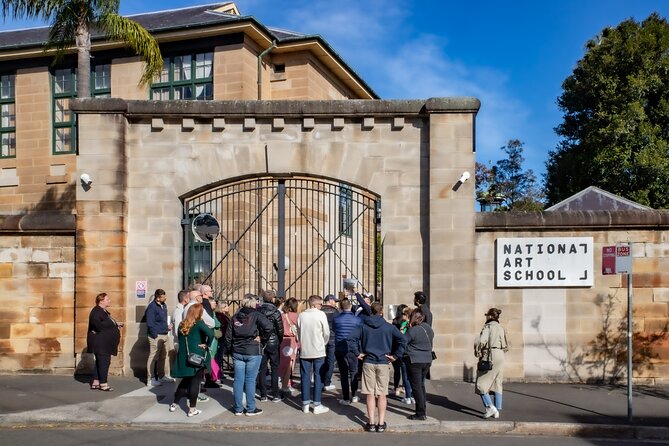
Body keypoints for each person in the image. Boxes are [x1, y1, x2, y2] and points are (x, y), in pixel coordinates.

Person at [348, 301, 406, 433]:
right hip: (383, 361)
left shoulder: (363, 325)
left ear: (371, 311)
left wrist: (357, 353)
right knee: (382, 394)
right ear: (382, 312)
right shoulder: (388, 327)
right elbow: (403, 340)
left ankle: (371, 423)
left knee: (370, 393)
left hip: (368, 361)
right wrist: (396, 355)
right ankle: (381, 423)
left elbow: (350, 339)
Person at [224, 294, 273, 416]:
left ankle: (238, 408)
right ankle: (251, 408)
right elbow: (269, 327)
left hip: (237, 351)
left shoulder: (235, 317)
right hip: (252, 351)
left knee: (238, 380)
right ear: (253, 304)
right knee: (250, 380)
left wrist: (230, 350)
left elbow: (228, 336)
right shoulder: (256, 315)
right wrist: (262, 339)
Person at [169, 303, 214, 417]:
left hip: (185, 356)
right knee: (195, 382)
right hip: (196, 356)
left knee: (185, 381)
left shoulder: (182, 324)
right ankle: (192, 409)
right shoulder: (199, 323)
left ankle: (174, 403)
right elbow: (211, 333)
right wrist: (206, 344)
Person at [297, 295, 330, 414]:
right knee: (318, 376)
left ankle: (305, 403)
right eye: (320, 304)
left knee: (305, 376)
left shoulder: (302, 315)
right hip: (318, 349)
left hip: (305, 349)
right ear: (315, 304)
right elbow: (326, 332)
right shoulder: (321, 314)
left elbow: (298, 332)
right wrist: (323, 343)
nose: (321, 306)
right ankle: (317, 404)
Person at [474, 307, 509, 419]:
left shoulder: (488, 327)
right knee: (497, 382)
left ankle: (490, 407)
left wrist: (477, 349)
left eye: (486, 315)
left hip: (490, 355)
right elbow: (505, 344)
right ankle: (497, 408)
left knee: (481, 383)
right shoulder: (500, 328)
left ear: (489, 316)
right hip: (501, 355)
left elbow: (481, 341)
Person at [87, 292, 123, 392]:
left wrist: (116, 325)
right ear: (101, 301)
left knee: (100, 362)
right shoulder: (96, 312)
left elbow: (106, 324)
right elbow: (97, 326)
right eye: (107, 299)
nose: (109, 301)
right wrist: (112, 329)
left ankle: (96, 382)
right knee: (104, 362)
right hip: (101, 343)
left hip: (104, 342)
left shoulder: (103, 311)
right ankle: (103, 384)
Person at [404, 308, 434, 420]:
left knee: (416, 387)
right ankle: (422, 409)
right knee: (421, 386)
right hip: (427, 359)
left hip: (415, 360)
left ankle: (420, 413)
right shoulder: (428, 328)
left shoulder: (413, 330)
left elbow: (403, 341)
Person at [332, 297, 362, 405]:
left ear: (341, 307)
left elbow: (335, 330)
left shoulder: (336, 319)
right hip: (353, 348)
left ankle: (345, 397)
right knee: (353, 372)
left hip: (340, 347)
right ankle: (354, 395)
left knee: (343, 373)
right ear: (350, 306)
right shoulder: (358, 320)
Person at [257, 289, 284, 402]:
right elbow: (280, 329)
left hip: (261, 341)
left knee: (262, 369)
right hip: (273, 341)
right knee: (274, 368)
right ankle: (275, 394)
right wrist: (279, 340)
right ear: (273, 299)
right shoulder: (276, 312)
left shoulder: (258, 311)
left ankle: (263, 395)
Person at [145, 288, 174, 386]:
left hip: (165, 334)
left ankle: (161, 376)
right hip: (156, 335)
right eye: (163, 297)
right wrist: (155, 335)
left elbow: (162, 321)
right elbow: (150, 323)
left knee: (163, 356)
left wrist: (167, 327)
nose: (165, 298)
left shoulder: (164, 305)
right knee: (153, 356)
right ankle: (151, 378)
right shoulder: (152, 307)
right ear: (158, 298)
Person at [279, 297, 300, 398]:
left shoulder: (282, 315)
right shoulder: (296, 316)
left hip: (282, 340)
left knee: (283, 363)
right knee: (290, 363)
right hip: (292, 340)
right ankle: (285, 385)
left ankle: (284, 381)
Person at [320, 294, 339, 391]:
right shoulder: (335, 312)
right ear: (330, 300)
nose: (336, 303)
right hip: (332, 337)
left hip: (321, 338)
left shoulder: (320, 310)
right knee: (331, 361)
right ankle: (327, 382)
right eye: (335, 301)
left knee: (321, 360)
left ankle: (320, 381)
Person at [391, 304, 409, 398]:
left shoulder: (394, 321)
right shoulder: (407, 322)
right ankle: (405, 388)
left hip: (394, 347)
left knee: (396, 370)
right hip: (403, 348)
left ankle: (396, 387)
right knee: (404, 370)